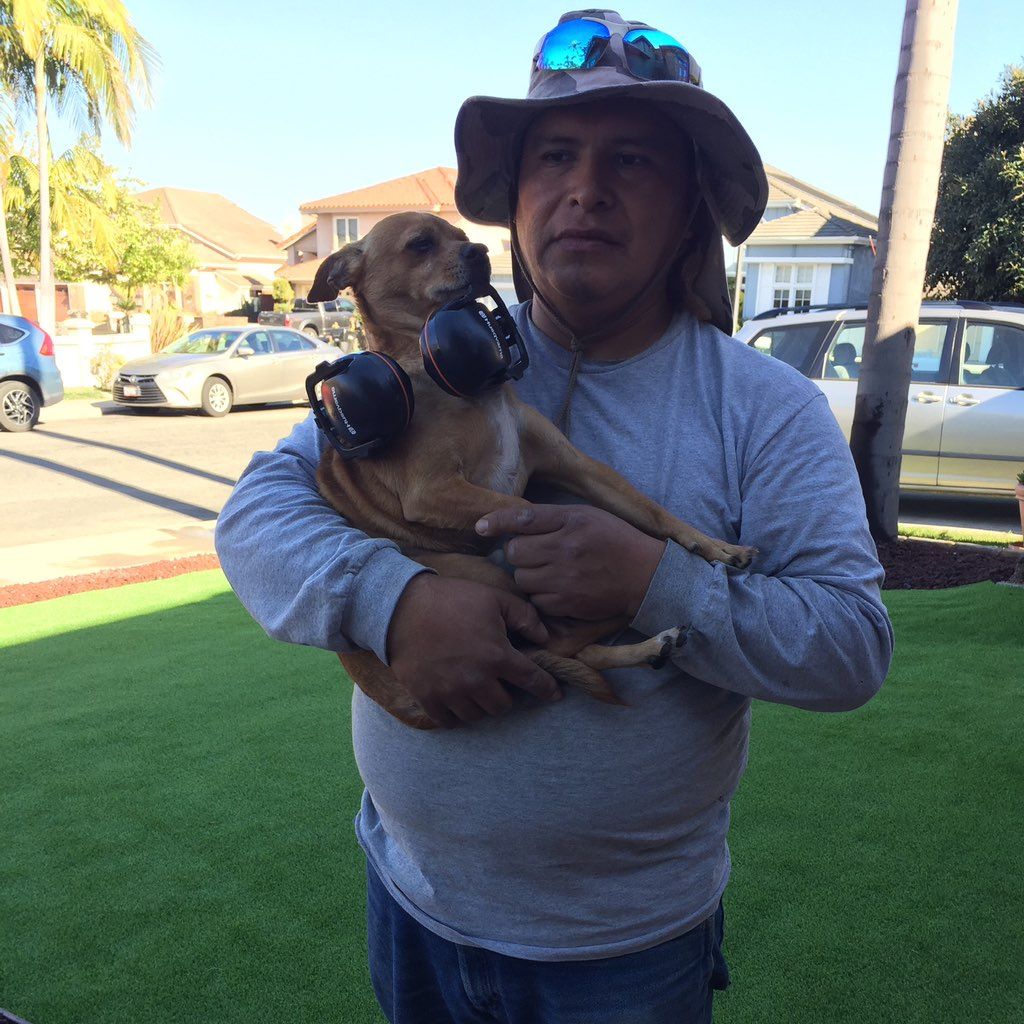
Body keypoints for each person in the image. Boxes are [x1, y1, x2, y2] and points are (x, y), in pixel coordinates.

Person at [215, 11, 894, 1022]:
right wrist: (395, 600)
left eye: (631, 159)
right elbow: (254, 517)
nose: (586, 188)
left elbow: (849, 647)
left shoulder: (765, 406)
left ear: (689, 206)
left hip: (623, 952)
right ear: (517, 198)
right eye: (555, 157)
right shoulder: (416, 370)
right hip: (411, 902)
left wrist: (654, 579)